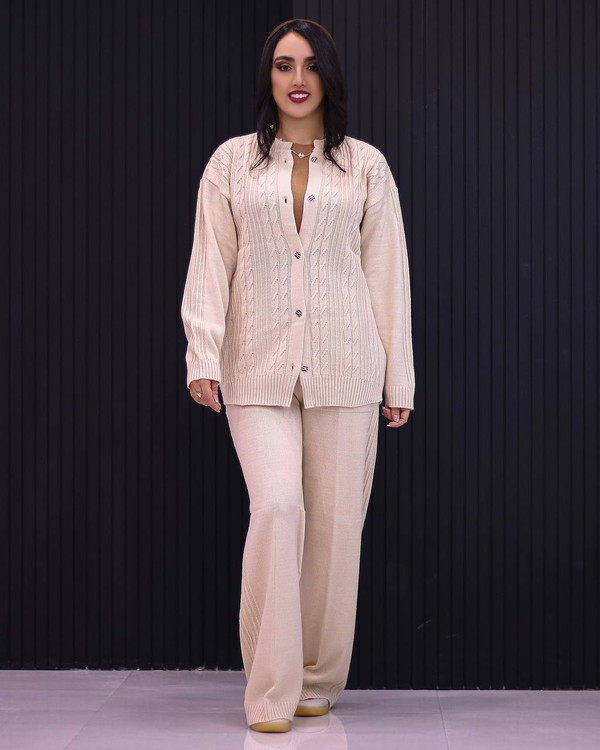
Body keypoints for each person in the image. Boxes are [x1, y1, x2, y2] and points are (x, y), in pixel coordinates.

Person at [180, 18, 415, 733]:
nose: (298, 78)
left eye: (311, 65)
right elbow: (210, 262)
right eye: (284, 65)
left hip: (348, 367)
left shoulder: (366, 167)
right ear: (268, 77)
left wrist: (399, 379)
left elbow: (387, 274)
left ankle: (318, 677)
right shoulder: (231, 164)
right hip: (255, 367)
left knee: (338, 529)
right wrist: (202, 353)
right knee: (279, 509)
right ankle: (270, 690)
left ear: (329, 76)